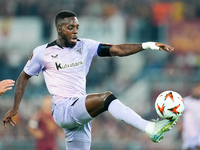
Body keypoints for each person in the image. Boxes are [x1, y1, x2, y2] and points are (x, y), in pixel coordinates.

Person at [3, 10, 179, 150]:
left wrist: (147, 45)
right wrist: (15, 107)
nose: (75, 31)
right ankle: (150, 128)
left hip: (79, 109)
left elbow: (118, 49)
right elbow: (23, 78)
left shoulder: (85, 45)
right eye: (70, 27)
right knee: (107, 98)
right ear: (59, 29)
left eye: (77, 27)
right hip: (63, 108)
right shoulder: (43, 52)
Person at [181, 81, 200, 150]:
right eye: (197, 88)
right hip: (188, 137)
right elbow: (175, 114)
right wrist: (179, 125)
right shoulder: (186, 101)